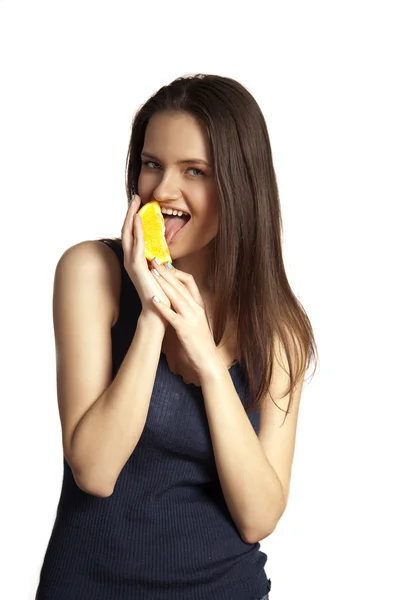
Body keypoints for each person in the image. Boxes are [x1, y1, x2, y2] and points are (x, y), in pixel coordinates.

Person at [35, 73, 318, 600]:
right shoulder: (90, 273)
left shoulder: (278, 330)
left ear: (238, 185)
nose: (163, 190)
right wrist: (152, 317)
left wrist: (211, 368)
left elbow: (258, 516)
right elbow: (94, 470)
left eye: (195, 171)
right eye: (151, 164)